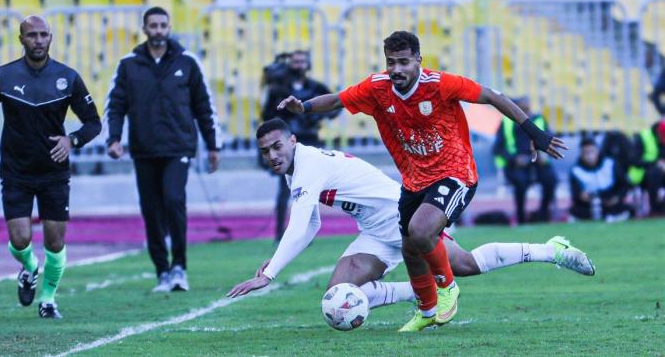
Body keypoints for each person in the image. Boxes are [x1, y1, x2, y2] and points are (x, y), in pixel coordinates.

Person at [277, 31, 567, 331]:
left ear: (418, 60)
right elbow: (337, 100)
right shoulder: (377, 88)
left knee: (421, 231)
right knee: (411, 249)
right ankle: (426, 310)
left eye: (404, 62)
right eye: (391, 63)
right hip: (414, 181)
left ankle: (447, 288)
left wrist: (534, 132)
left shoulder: (440, 84)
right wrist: (306, 107)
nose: (397, 69)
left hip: (455, 172)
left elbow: (493, 97)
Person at [226, 120, 592, 314]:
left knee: (463, 264)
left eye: (277, 146)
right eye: (265, 151)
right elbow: (311, 224)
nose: (272, 155)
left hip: (404, 219)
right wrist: (274, 262)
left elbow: (298, 222)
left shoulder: (309, 165)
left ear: (292, 141)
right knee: (339, 295)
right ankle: (420, 295)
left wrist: (270, 273)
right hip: (373, 232)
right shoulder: (298, 168)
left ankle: (550, 249)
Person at [0, 15, 101, 319]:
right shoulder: (3, 77)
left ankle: (48, 299)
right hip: (16, 172)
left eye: (44, 35)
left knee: (55, 241)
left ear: (51, 38)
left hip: (54, 173)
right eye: (32, 35)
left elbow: (94, 122)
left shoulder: (67, 77)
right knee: (20, 240)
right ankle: (29, 268)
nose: (38, 40)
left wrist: (73, 140)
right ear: (21, 39)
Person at [105, 6, 222, 292]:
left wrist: (213, 145)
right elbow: (115, 105)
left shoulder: (187, 62)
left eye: (163, 25)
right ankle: (162, 271)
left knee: (173, 201)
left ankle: (179, 266)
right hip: (144, 148)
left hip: (178, 146)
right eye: (153, 25)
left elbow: (204, 107)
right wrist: (114, 138)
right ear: (144, 29)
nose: (158, 30)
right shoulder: (129, 64)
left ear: (169, 28)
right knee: (151, 210)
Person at [261, 50, 339, 242]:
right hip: (288, 142)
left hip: (310, 139)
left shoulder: (316, 87)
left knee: (310, 188)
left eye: (302, 61)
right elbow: (266, 114)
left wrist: (317, 116)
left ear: (308, 64)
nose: (299, 65)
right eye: (295, 61)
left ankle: (306, 233)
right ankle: (280, 233)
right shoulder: (279, 88)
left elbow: (334, 104)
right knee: (284, 188)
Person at [492, 96, 558, 224]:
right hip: (516, 164)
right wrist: (514, 159)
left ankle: (543, 213)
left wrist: (544, 155)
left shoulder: (539, 119)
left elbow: (550, 139)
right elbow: (497, 148)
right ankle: (521, 217)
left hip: (538, 161)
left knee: (550, 179)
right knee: (520, 182)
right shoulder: (506, 122)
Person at [569, 137, 632, 222]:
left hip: (609, 199)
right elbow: (575, 193)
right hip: (590, 203)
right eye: (586, 153)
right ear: (581, 154)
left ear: (597, 151)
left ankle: (611, 215)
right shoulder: (576, 170)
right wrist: (581, 196)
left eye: (591, 152)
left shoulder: (610, 164)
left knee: (627, 209)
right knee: (575, 211)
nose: (589, 156)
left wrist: (617, 197)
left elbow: (624, 184)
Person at [628, 119, 665, 216]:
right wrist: (655, 164)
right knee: (654, 173)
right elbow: (633, 160)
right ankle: (655, 209)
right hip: (643, 175)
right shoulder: (643, 137)